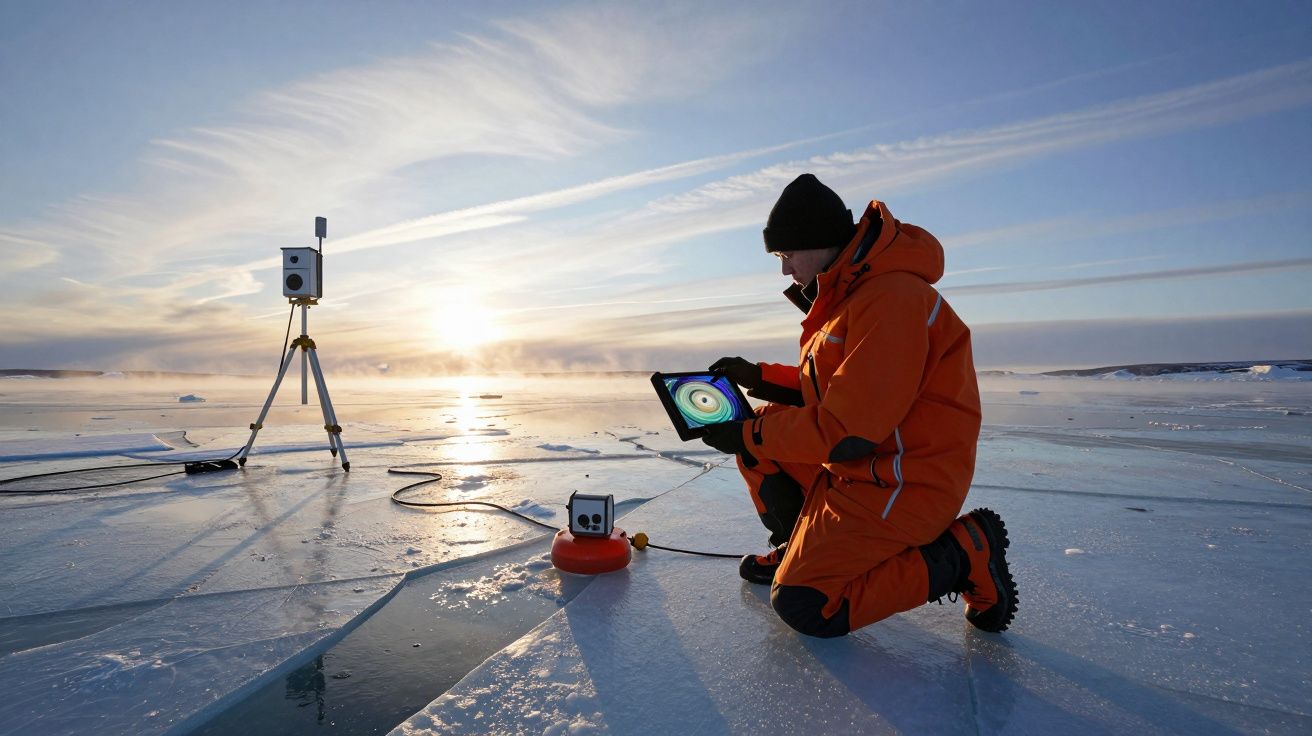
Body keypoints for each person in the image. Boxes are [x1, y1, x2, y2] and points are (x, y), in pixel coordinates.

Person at [700, 173, 1017, 638]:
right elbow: (837, 388)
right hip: (864, 469)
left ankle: (963, 552)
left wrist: (746, 433)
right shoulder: (852, 296)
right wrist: (758, 377)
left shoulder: (891, 300)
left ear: (817, 241)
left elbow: (848, 427)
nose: (785, 271)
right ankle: (795, 546)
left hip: (905, 482)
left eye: (786, 255)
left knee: (806, 605)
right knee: (760, 438)